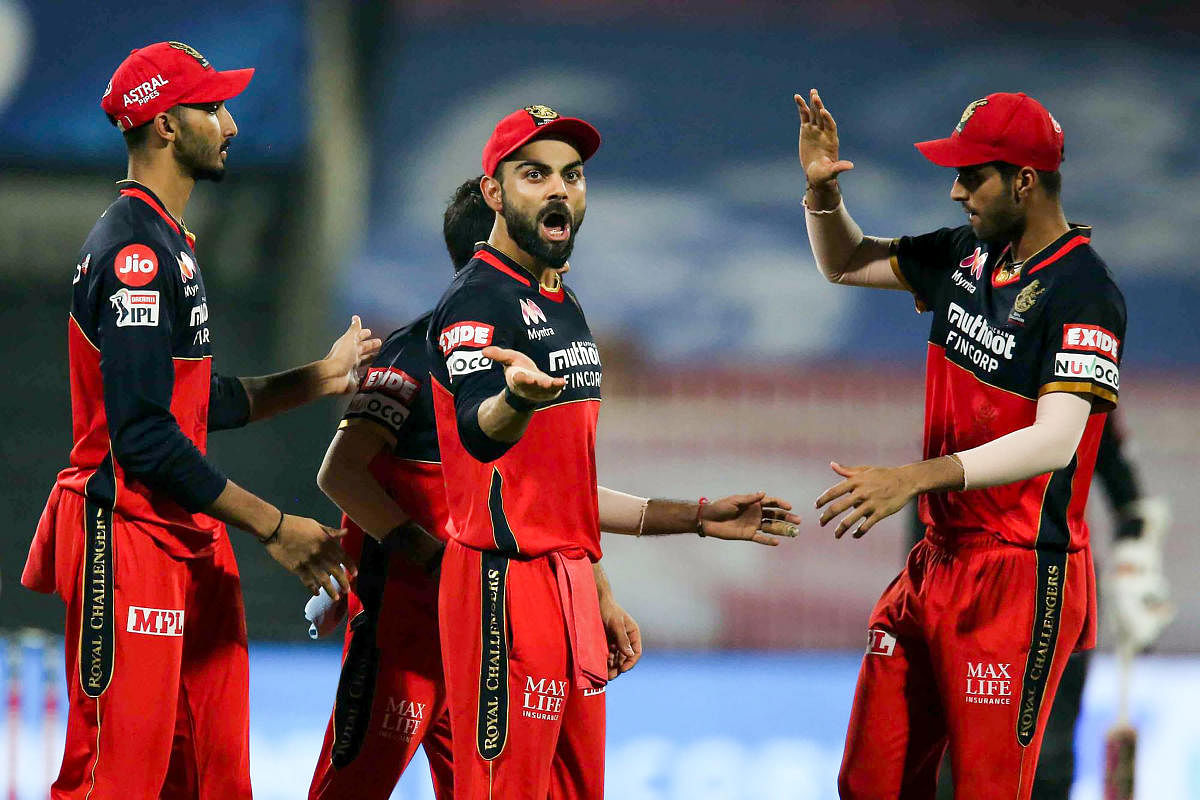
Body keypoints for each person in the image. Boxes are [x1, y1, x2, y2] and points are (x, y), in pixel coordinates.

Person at [304, 175, 801, 800]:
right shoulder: (414, 357)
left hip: (497, 633)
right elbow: (340, 473)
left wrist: (619, 576)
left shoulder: (533, 362)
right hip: (407, 637)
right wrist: (435, 560)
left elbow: (552, 503)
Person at [19, 41, 379, 799]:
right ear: (164, 126)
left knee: (214, 778)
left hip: (188, 539)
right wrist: (275, 525)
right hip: (129, 535)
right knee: (117, 779)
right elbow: (145, 438)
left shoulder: (170, 243)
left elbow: (194, 402)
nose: (232, 125)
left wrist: (321, 376)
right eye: (212, 107)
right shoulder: (133, 256)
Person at [797, 88, 1126, 799]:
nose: (955, 192)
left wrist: (915, 478)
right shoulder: (965, 255)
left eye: (972, 175)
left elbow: (1055, 443)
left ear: (1025, 180)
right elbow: (846, 262)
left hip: (1019, 576)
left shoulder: (1085, 294)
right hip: (937, 562)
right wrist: (821, 195)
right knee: (870, 784)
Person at [905, 408, 1172, 799]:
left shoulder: (1083, 385)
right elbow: (928, 510)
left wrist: (1137, 567)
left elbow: (1132, 504)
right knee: (961, 756)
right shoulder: (967, 387)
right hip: (970, 599)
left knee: (1048, 760)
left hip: (1058, 594)